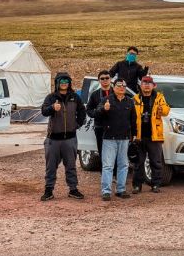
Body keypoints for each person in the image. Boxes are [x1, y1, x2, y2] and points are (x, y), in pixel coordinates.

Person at [40, 72, 86, 201]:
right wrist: (52, 108)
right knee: (51, 167)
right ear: (57, 83)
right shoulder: (51, 97)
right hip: (53, 139)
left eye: (66, 81)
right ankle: (48, 190)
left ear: (69, 83)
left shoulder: (75, 97)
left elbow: (82, 111)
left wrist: (77, 124)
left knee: (71, 166)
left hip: (70, 139)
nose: (64, 83)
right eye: (61, 81)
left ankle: (73, 189)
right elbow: (43, 111)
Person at [96, 78, 135, 201]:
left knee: (123, 165)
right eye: (119, 86)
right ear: (114, 87)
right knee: (108, 165)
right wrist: (104, 109)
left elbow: (133, 120)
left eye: (124, 86)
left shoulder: (129, 101)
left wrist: (134, 134)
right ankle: (106, 191)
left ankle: (121, 189)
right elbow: (97, 113)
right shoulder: (106, 100)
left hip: (124, 138)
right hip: (109, 138)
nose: (121, 88)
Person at [132, 75, 171, 193]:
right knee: (138, 162)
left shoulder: (159, 98)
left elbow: (166, 110)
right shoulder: (135, 98)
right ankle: (137, 185)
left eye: (149, 83)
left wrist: (161, 110)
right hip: (139, 136)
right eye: (144, 83)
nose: (147, 85)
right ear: (141, 85)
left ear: (154, 85)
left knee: (156, 162)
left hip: (154, 136)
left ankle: (156, 184)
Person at [86, 70, 112, 159]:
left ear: (110, 79)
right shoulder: (95, 94)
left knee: (115, 151)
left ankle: (115, 172)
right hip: (100, 127)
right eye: (102, 78)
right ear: (99, 80)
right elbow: (88, 110)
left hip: (115, 127)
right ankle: (104, 172)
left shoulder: (117, 93)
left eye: (107, 78)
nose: (105, 80)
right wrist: (98, 112)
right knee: (102, 151)